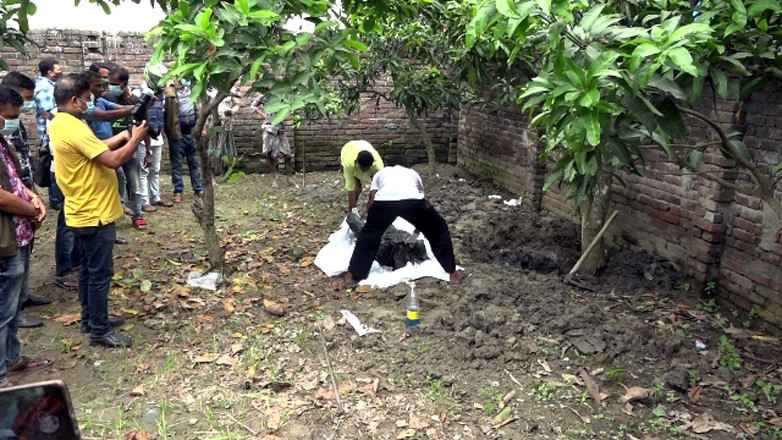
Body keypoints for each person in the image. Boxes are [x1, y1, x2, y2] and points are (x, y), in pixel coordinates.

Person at [49, 73, 148, 348]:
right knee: (99, 273)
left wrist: (121, 136)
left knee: (87, 271)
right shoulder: (75, 128)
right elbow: (114, 161)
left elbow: (94, 151)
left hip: (81, 208)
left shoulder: (61, 123)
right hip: (94, 211)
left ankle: (89, 318)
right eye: (85, 99)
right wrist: (136, 138)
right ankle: (99, 330)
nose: (88, 104)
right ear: (74, 100)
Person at [340, 165, 463, 287]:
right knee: (438, 229)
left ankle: (354, 274)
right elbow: (421, 197)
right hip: (412, 201)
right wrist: (424, 224)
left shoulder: (380, 174)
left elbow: (372, 199)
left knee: (368, 236)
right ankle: (452, 272)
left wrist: (372, 221)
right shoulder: (413, 173)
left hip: (384, 202)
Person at [0, 86, 48, 387]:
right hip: (5, 237)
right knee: (3, 306)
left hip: (19, 233)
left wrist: (33, 197)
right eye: (6, 115)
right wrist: (30, 210)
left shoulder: (2, 141)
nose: (8, 121)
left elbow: (14, 180)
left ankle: (12, 358)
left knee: (14, 303)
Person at [105, 66, 148, 229]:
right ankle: (112, 217)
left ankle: (137, 215)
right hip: (109, 148)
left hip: (131, 149)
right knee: (113, 183)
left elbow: (144, 125)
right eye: (110, 83)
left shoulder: (134, 102)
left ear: (124, 84)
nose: (111, 87)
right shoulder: (104, 100)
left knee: (134, 183)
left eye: (114, 84)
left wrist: (147, 149)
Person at [163, 80, 204, 203]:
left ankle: (198, 189)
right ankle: (178, 191)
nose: (181, 80)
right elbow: (166, 114)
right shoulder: (170, 94)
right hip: (177, 132)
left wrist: (201, 128)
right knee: (177, 164)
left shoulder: (194, 89)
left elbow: (199, 109)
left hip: (192, 131)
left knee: (194, 162)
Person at [33, 57, 62, 209]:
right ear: (50, 72)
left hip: (53, 130)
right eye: (58, 69)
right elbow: (47, 112)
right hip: (51, 132)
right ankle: (56, 200)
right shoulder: (44, 86)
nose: (60, 71)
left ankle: (57, 197)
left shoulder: (51, 85)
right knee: (55, 165)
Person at [250, 95, 293, 175]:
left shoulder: (282, 96)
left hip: (280, 128)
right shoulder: (264, 97)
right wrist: (262, 114)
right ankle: (275, 173)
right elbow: (252, 106)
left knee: (287, 154)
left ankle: (288, 174)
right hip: (269, 127)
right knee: (269, 153)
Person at [340, 140, 384, 213]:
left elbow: (377, 187)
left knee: (376, 190)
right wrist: (352, 211)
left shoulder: (378, 166)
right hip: (348, 149)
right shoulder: (349, 164)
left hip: (364, 145)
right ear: (357, 162)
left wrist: (371, 204)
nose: (364, 171)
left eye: (366, 169)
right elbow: (350, 187)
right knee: (357, 188)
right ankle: (353, 209)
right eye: (362, 168)